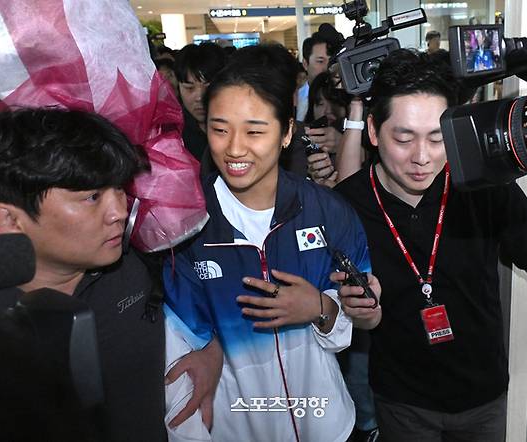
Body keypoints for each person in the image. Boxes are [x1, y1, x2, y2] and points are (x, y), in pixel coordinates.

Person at [335, 49, 527, 441]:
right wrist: (359, 311)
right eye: (404, 138)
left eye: (437, 137)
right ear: (375, 131)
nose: (422, 158)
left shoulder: (484, 188)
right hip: (401, 399)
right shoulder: (348, 205)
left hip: (483, 396)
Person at [0, 108, 223, 442]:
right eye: (92, 197)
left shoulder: (138, 264)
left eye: (119, 189)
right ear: (9, 219)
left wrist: (210, 348)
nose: (120, 212)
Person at [163, 44, 381, 442]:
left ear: (286, 134)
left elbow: (359, 312)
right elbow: (178, 351)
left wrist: (320, 307)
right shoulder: (188, 226)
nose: (234, 148)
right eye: (220, 128)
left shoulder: (327, 210)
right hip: (238, 428)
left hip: (328, 423)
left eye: (255, 131)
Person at [173, 43, 226, 163]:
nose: (200, 97)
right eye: (189, 88)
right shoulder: (172, 133)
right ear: (178, 87)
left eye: (208, 87)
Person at [296, 34, 333, 122]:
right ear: (305, 64)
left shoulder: (343, 97)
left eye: (331, 61)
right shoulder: (295, 99)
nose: (327, 68)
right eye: (320, 61)